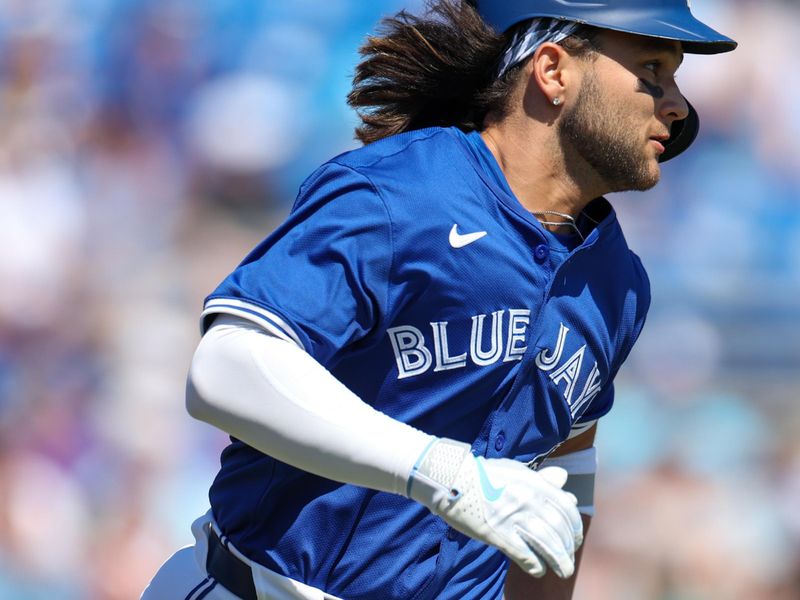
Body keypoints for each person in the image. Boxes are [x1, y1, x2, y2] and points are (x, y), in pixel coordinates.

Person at [142, 1, 736, 599]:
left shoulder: (617, 280)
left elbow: (564, 476)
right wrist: (443, 474)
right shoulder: (401, 193)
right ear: (553, 72)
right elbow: (226, 368)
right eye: (652, 68)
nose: (678, 104)